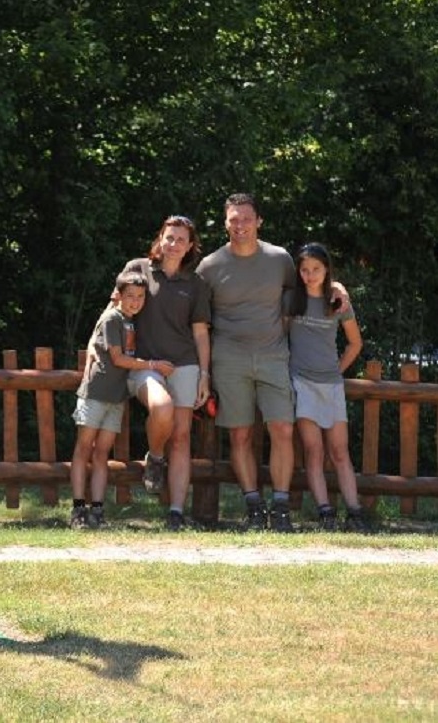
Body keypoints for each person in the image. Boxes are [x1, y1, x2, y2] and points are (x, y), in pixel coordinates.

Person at [195, 193, 299, 531]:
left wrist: (337, 292)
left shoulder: (279, 258)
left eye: (246, 218)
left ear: (259, 221)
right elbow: (196, 317)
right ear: (225, 223)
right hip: (229, 356)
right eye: (233, 219)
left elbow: (303, 290)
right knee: (240, 435)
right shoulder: (209, 266)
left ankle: (280, 507)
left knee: (282, 429)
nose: (240, 225)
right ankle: (253, 505)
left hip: (273, 354)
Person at [123, 216, 211, 530]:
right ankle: (155, 457)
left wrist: (204, 374)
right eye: (169, 237)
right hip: (145, 364)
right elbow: (114, 308)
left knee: (183, 437)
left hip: (185, 363)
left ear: (190, 246)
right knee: (162, 408)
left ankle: (176, 512)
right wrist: (99, 345)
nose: (173, 244)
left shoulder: (196, 283)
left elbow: (200, 333)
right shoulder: (138, 268)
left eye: (181, 240)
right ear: (160, 238)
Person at [286, 243, 369, 532]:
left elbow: (355, 343)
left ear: (326, 270)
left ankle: (355, 512)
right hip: (301, 382)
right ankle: (325, 512)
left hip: (331, 384)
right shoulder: (291, 300)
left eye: (316, 270)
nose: (310, 275)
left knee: (340, 451)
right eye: (304, 269)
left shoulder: (337, 301)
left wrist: (337, 370)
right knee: (314, 450)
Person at [69, 271, 149, 530]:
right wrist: (153, 366)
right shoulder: (112, 318)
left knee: (102, 453)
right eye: (130, 297)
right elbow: (118, 359)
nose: (135, 302)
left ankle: (97, 510)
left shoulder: (130, 321)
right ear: (118, 296)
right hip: (96, 393)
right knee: (84, 448)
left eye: (140, 297)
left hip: (116, 397)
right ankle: (78, 509)